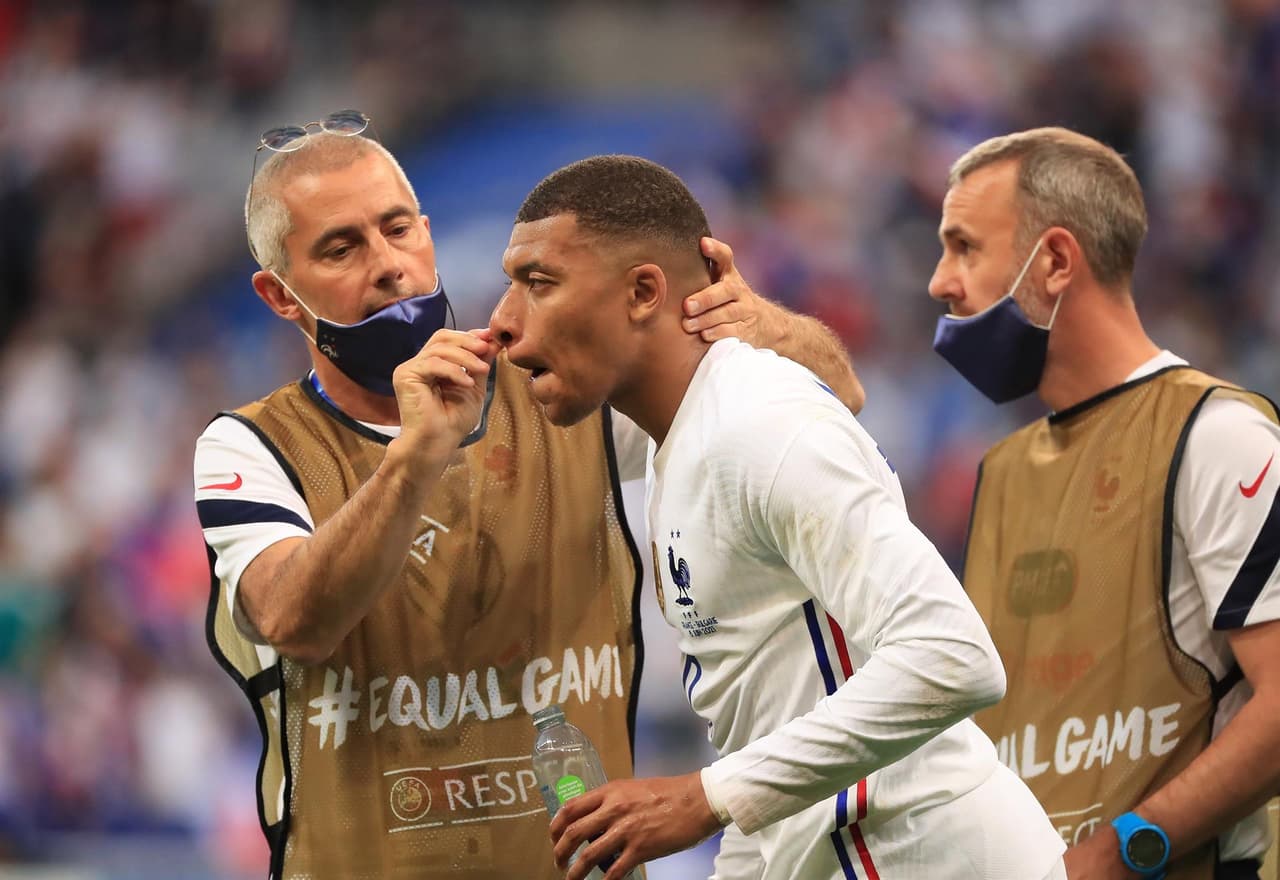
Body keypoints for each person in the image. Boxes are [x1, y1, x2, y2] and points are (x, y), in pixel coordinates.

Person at [193, 112, 865, 879]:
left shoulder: (559, 382)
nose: (389, 265)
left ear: (428, 232)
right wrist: (416, 456)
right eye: (342, 248)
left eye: (399, 229)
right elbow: (293, 621)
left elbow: (832, 394)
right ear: (280, 295)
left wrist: (757, 324)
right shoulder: (249, 446)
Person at [488, 154, 1067, 880]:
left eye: (538, 285)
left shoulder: (759, 424)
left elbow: (952, 659)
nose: (503, 322)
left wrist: (701, 798)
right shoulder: (687, 438)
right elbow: (763, 742)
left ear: (643, 291)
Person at [926, 127, 1280, 880]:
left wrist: (1119, 852)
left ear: (1054, 261)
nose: (940, 282)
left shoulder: (1219, 437)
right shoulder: (1000, 472)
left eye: (964, 247)